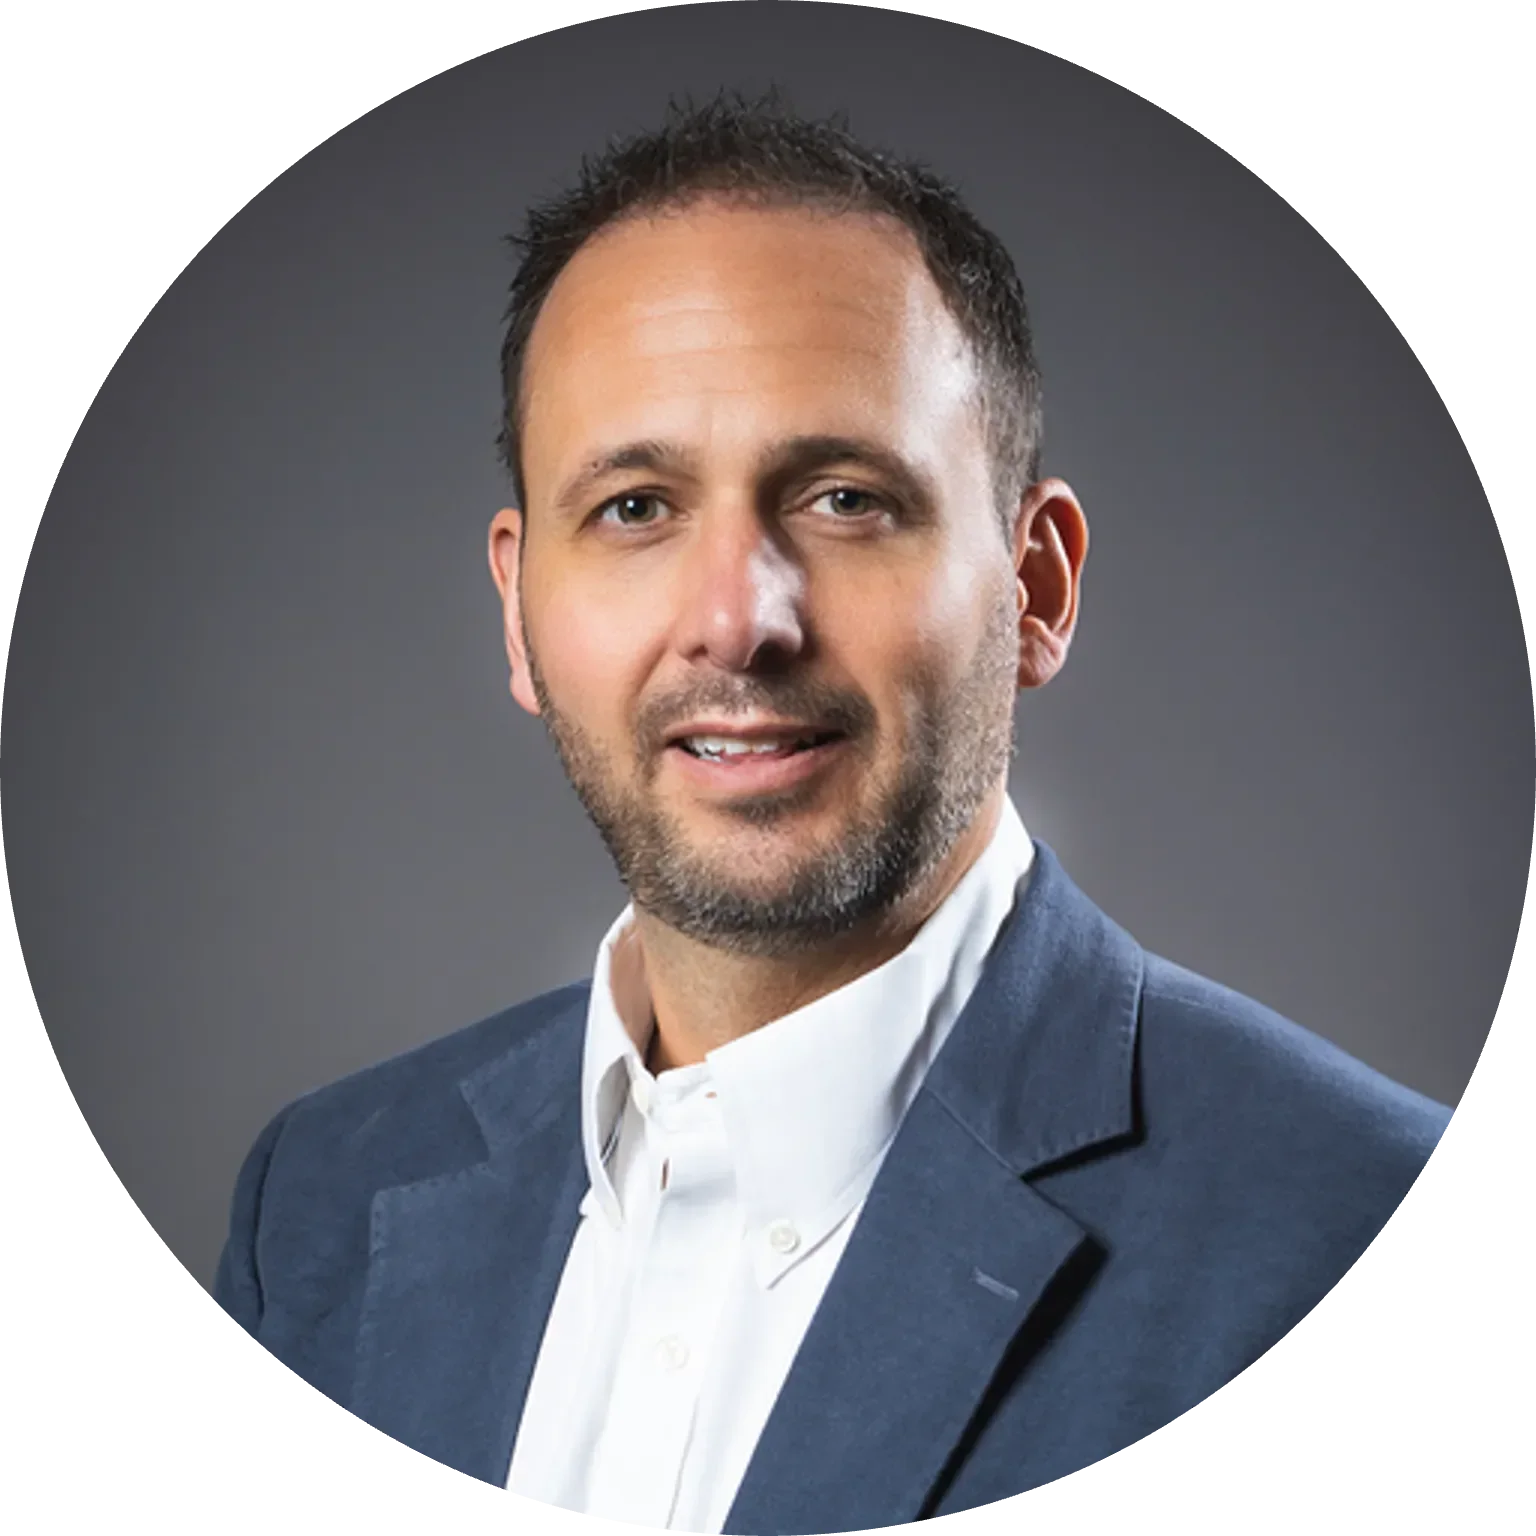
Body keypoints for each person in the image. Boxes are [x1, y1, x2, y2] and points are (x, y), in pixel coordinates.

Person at [213, 91, 1454, 1534]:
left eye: (848, 498)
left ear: (1037, 586)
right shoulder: (322, 1202)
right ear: (516, 608)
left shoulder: (1363, 1237)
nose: (738, 622)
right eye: (633, 508)